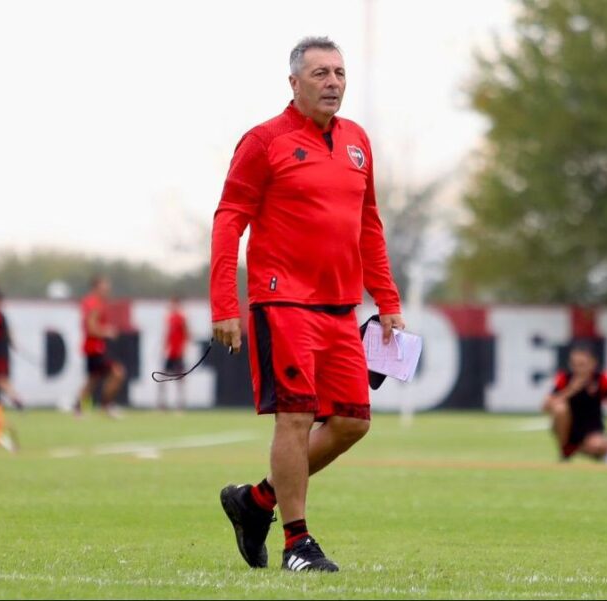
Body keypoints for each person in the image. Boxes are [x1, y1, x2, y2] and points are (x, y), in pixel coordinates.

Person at [209, 37, 404, 573]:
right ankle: (298, 542)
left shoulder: (358, 141)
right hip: (283, 301)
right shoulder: (263, 141)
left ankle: (256, 502)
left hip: (341, 308)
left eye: (339, 72)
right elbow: (230, 219)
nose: (333, 82)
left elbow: (369, 225)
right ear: (293, 83)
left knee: (351, 422)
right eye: (320, 73)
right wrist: (224, 302)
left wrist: (387, 300)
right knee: (294, 419)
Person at [543, 344, 607, 463]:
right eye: (574, 364)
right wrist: (570, 390)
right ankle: (566, 449)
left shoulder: (601, 378)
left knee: (598, 446)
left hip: (591, 427)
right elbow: (545, 406)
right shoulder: (565, 378)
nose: (578, 369)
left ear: (593, 363)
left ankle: (589, 449)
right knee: (559, 408)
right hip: (568, 427)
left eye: (582, 364)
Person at [75, 275, 125, 418]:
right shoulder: (93, 303)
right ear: (96, 287)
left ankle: (79, 408)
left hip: (95, 346)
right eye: (105, 285)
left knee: (93, 380)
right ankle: (106, 405)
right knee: (117, 373)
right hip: (95, 347)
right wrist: (107, 332)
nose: (108, 289)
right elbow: (91, 328)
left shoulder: (96, 302)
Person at [158, 296, 189, 412]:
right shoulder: (169, 318)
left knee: (180, 379)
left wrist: (183, 348)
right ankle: (162, 405)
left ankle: (180, 405)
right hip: (170, 354)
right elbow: (168, 334)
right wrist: (164, 347)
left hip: (178, 353)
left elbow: (187, 333)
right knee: (162, 378)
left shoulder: (181, 318)